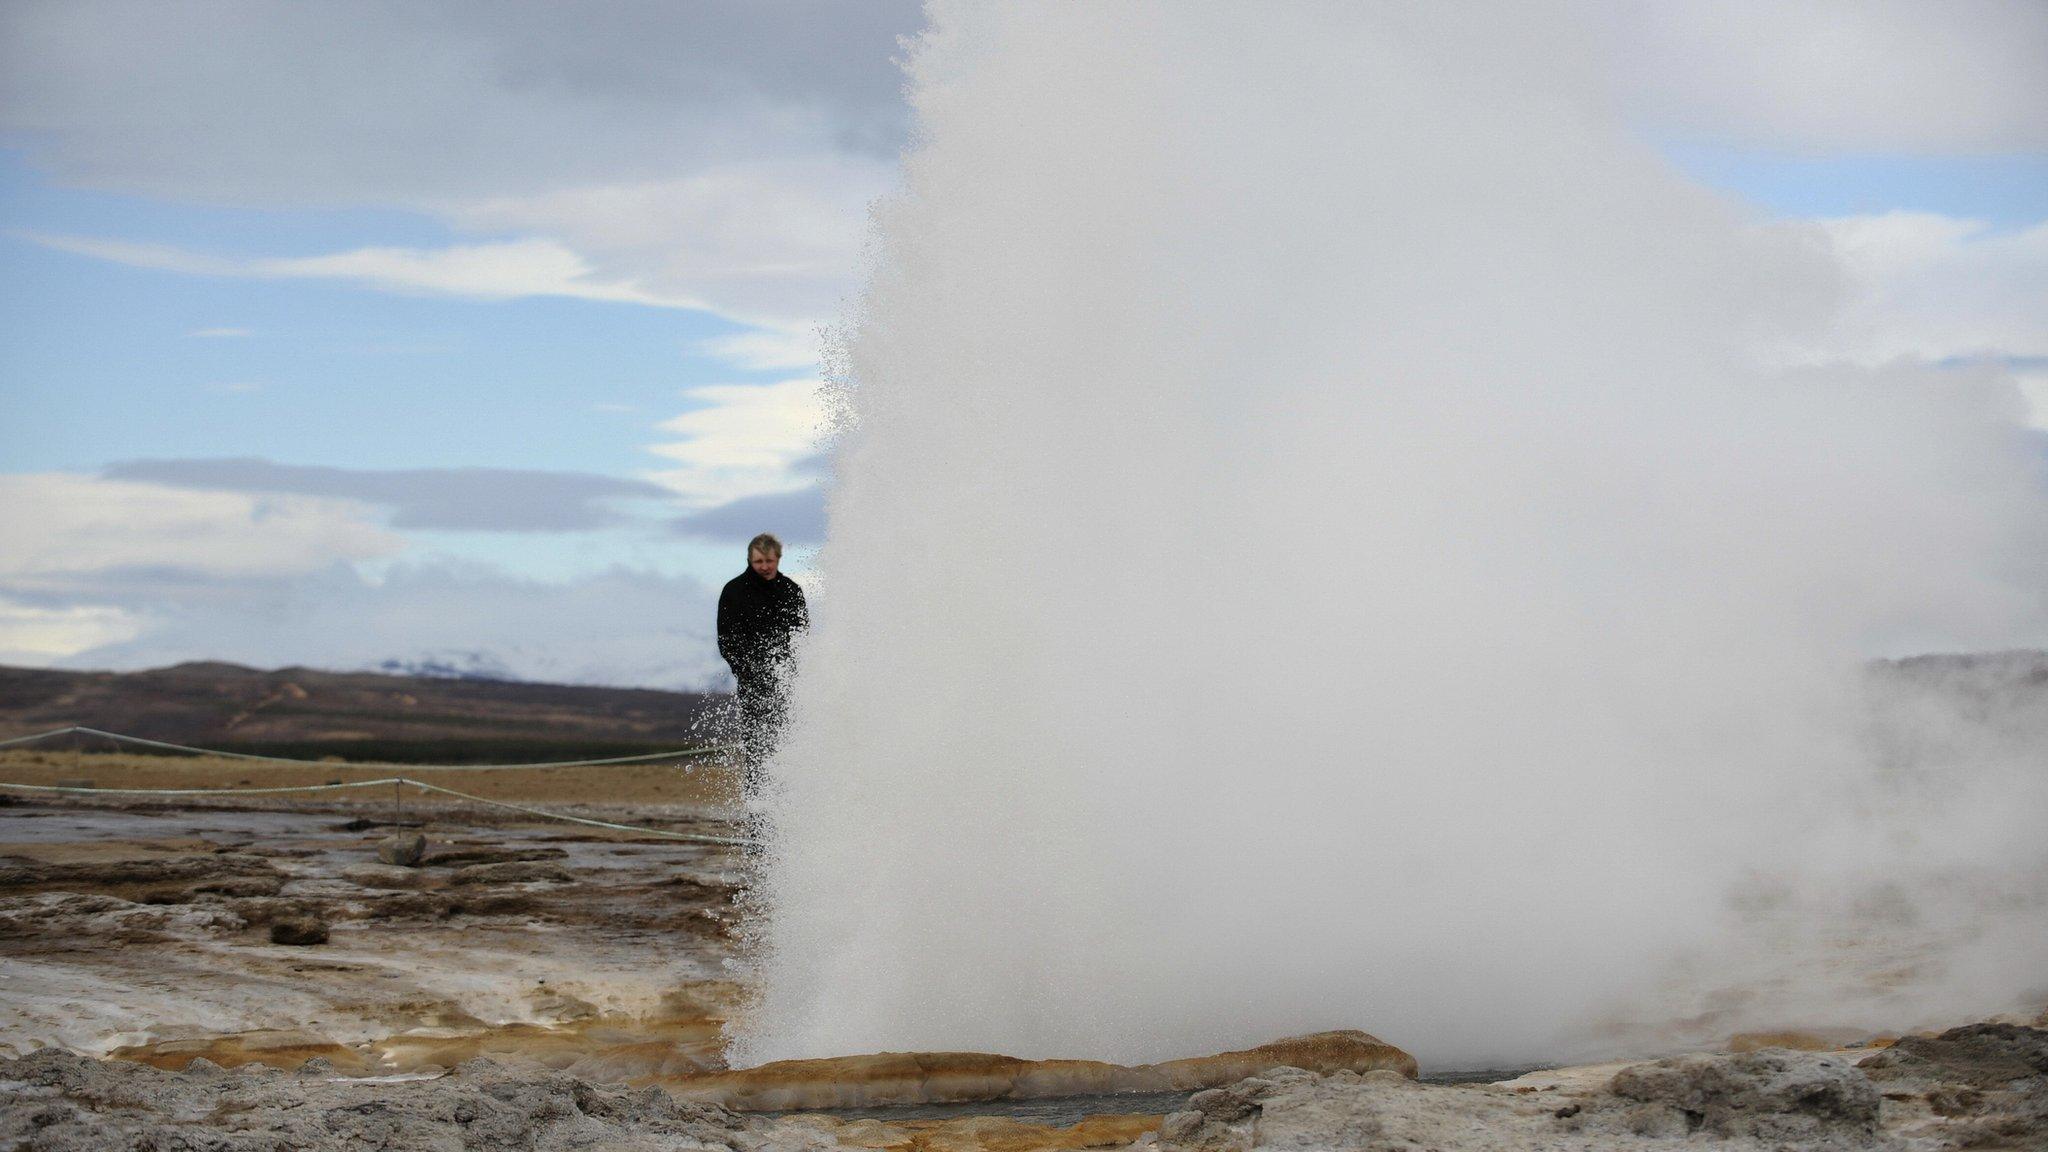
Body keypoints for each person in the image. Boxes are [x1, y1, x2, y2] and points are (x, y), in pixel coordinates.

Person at [716, 533, 808, 792]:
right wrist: (748, 671)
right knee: (758, 754)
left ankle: (788, 812)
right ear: (749, 560)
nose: (765, 567)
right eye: (759, 561)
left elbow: (801, 636)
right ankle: (759, 820)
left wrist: (791, 671)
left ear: (778, 558)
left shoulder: (791, 590)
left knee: (789, 751)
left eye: (769, 560)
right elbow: (727, 640)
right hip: (752, 686)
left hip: (788, 685)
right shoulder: (733, 591)